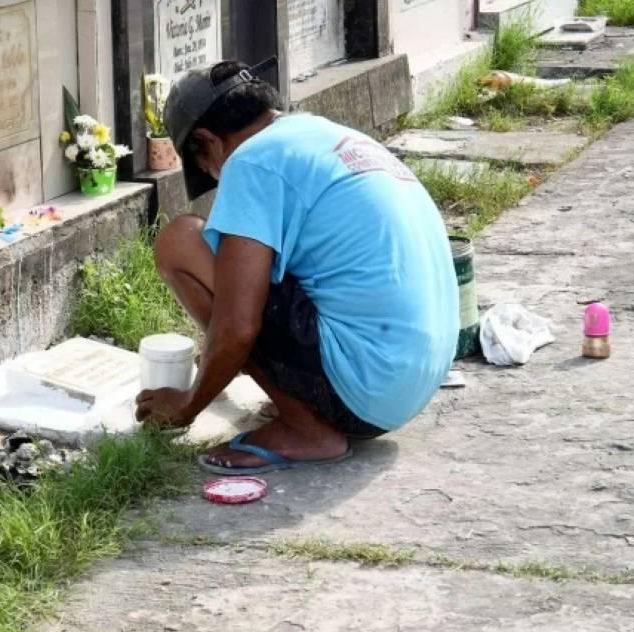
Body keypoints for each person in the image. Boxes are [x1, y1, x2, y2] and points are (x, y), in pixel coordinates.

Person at [134, 60, 458, 475]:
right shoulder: (325, 135)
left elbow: (238, 326)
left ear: (207, 141)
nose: (218, 180)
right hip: (411, 384)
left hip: (363, 389)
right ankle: (305, 403)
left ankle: (305, 428)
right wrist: (222, 354)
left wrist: (186, 405)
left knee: (180, 240)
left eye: (207, 171)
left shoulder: (251, 160)